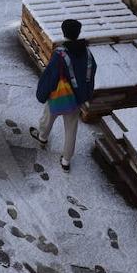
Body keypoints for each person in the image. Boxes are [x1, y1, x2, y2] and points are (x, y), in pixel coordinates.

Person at [30, 18, 96, 171]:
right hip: (77, 98)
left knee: (48, 116)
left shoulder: (60, 54)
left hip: (58, 95)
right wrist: (86, 94)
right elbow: (91, 73)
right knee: (71, 128)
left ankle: (42, 137)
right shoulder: (87, 53)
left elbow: (50, 76)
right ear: (78, 33)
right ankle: (66, 160)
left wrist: (42, 93)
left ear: (63, 32)